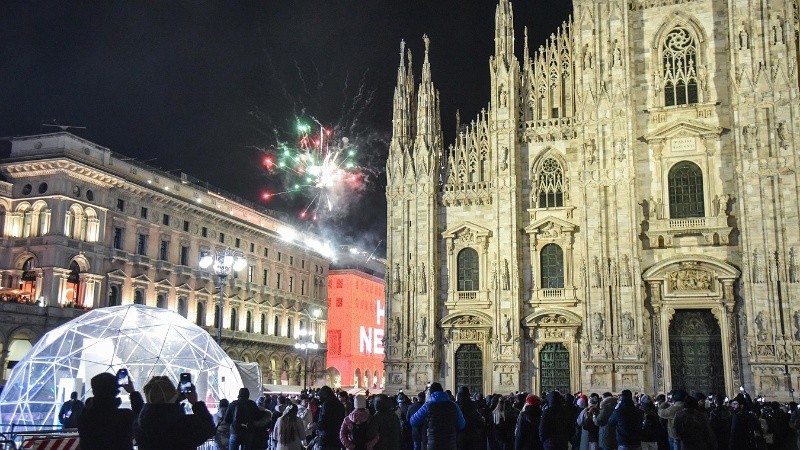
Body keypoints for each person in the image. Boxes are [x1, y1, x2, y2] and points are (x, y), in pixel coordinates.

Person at [133, 375, 216, 450]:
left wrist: (174, 399)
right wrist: (195, 403)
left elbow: (161, 411)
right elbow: (209, 428)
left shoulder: (140, 424)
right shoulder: (186, 425)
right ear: (174, 395)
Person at [77, 372, 144, 450]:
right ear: (115, 391)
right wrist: (133, 392)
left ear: (94, 391)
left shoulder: (84, 417)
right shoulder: (124, 416)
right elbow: (142, 420)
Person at [410, 382, 466, 450]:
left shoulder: (428, 405)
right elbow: (462, 424)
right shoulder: (454, 405)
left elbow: (413, 421)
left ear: (430, 393)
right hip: (450, 444)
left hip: (433, 445)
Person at [315, 385, 347, 450]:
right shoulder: (339, 404)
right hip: (337, 439)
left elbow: (323, 422)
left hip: (326, 439)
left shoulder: (326, 404)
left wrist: (315, 425)